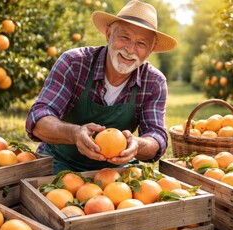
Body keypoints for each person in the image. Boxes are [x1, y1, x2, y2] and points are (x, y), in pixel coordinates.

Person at [25, 0, 177, 173]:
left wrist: (137, 145)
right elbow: (38, 118)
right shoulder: (74, 63)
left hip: (113, 173)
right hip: (58, 162)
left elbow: (156, 137)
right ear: (108, 34)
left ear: (151, 50)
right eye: (124, 37)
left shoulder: (154, 82)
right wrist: (75, 134)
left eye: (141, 44)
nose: (130, 49)